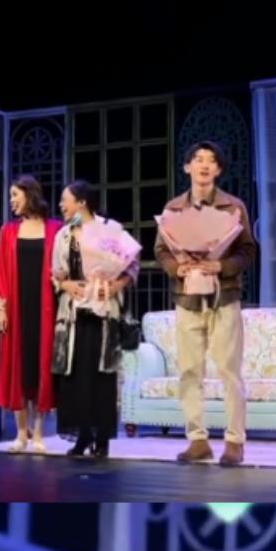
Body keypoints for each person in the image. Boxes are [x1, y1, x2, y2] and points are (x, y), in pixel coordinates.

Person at [155, 143, 256, 467]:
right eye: (198, 160)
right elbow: (161, 250)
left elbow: (248, 251)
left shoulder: (233, 206)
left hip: (224, 296)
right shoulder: (174, 208)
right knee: (189, 370)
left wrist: (221, 266)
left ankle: (235, 441)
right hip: (187, 297)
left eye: (211, 161)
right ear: (187, 167)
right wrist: (177, 268)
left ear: (219, 170)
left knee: (229, 371)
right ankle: (197, 440)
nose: (204, 165)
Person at [53, 181, 138, 459]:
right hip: (74, 313)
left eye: (65, 200)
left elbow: (131, 265)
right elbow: (56, 273)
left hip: (103, 310)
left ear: (82, 202)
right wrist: (65, 284)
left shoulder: (110, 229)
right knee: (76, 375)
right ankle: (82, 436)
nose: (61, 206)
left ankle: (102, 439)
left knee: (102, 375)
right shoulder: (64, 235)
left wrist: (117, 285)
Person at [0, 176, 61, 453]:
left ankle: (39, 434)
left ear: (29, 195)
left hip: (46, 308)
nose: (11, 201)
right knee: (17, 368)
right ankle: (21, 434)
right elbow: (1, 272)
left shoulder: (55, 228)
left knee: (41, 368)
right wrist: (1, 308)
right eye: (11, 196)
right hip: (17, 308)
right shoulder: (8, 231)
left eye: (15, 195)